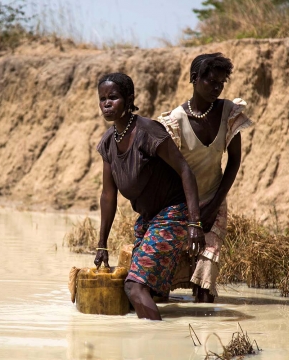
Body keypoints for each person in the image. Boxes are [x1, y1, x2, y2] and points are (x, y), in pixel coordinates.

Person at [94, 73, 205, 320]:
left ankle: (155, 341)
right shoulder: (108, 142)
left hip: (173, 213)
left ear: (129, 99)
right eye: (102, 99)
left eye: (113, 97)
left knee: (134, 287)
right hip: (148, 218)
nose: (107, 104)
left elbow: (185, 171)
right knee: (145, 292)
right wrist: (102, 244)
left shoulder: (148, 131)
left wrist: (194, 223)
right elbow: (108, 195)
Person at [157, 53, 252, 303]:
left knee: (207, 269)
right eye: (211, 81)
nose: (217, 88)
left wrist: (214, 205)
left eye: (221, 83)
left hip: (214, 197)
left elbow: (234, 161)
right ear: (194, 79)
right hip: (180, 203)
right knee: (165, 272)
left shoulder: (228, 113)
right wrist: (191, 217)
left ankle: (203, 326)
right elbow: (169, 172)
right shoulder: (175, 122)